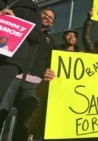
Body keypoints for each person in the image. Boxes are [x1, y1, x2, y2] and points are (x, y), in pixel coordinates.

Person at [0, 7, 56, 141]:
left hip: (34, 84)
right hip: (13, 77)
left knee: (25, 124)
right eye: (45, 14)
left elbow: (51, 62)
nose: (47, 17)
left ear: (52, 24)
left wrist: (50, 73)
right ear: (38, 14)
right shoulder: (20, 27)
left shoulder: (51, 41)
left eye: (50, 18)